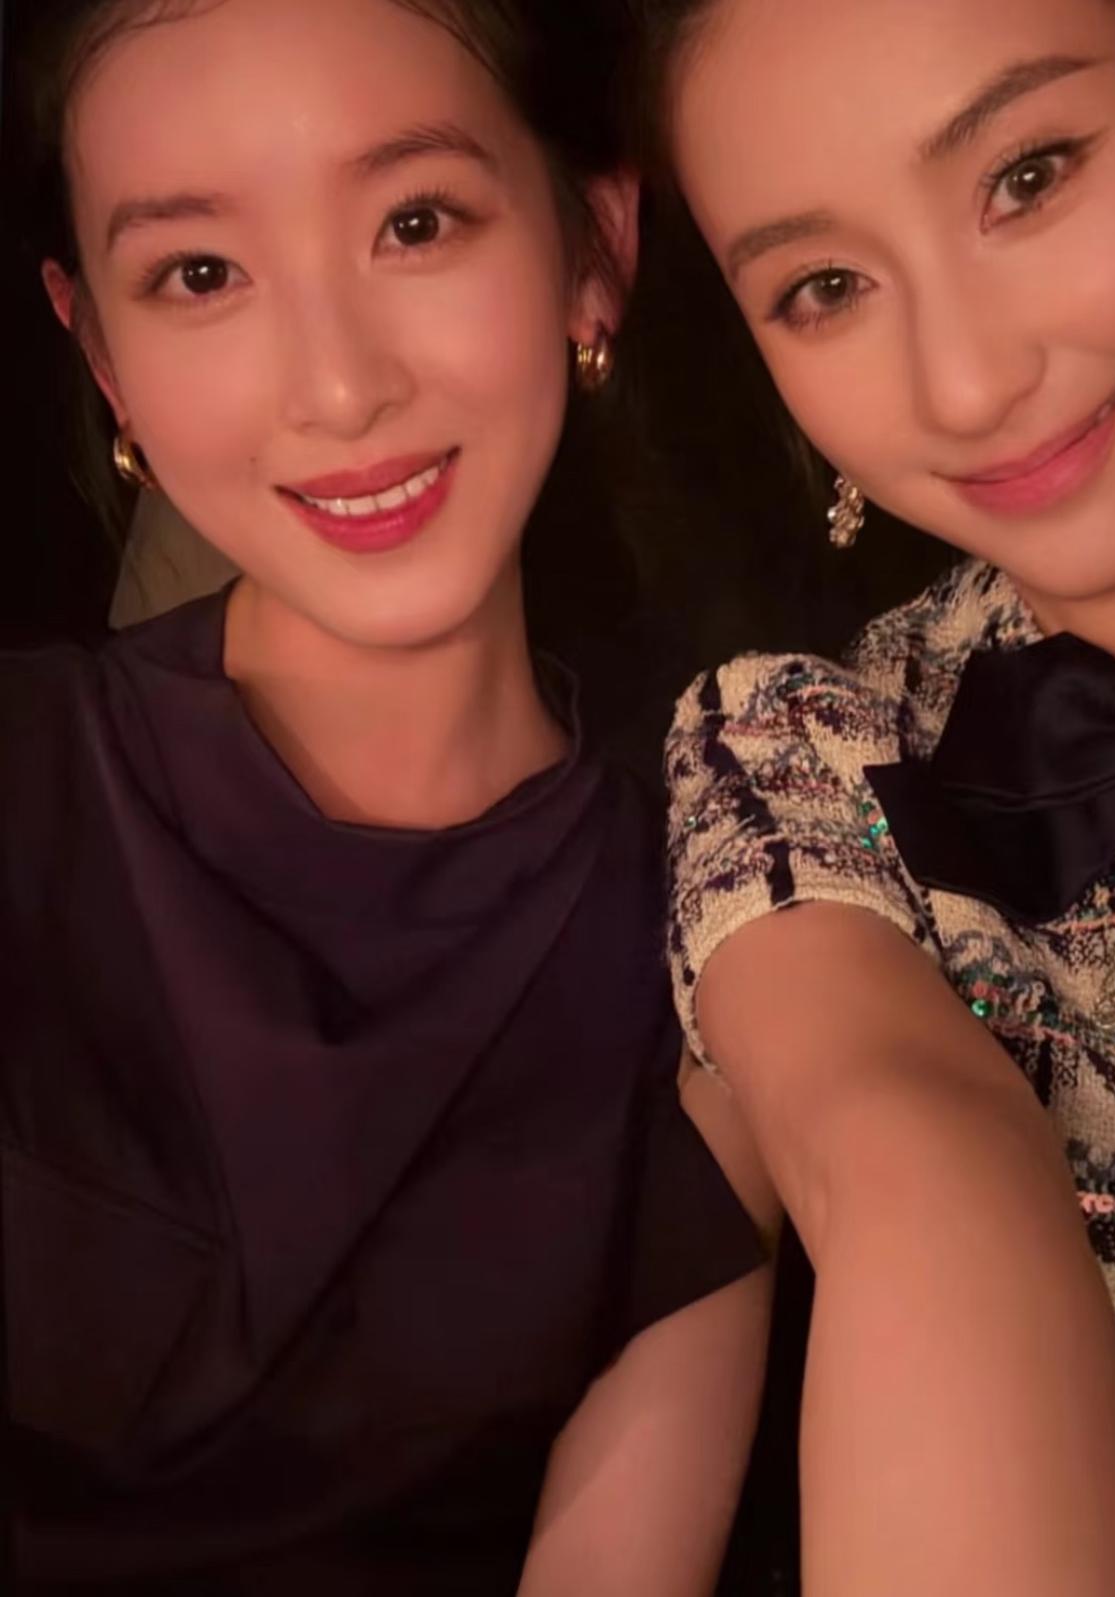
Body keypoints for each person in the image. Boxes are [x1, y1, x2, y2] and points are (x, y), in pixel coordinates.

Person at [0, 0, 776, 1589]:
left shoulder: (733, 915)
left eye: (415, 222)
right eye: (199, 274)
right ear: (101, 354)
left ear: (593, 248)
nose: (339, 388)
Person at [644, 0, 1115, 1592]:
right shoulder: (804, 760)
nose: (970, 380)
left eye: (1028, 175)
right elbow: (906, 1163)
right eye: (826, 287)